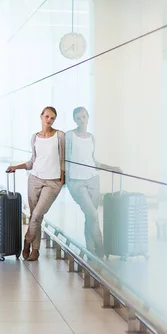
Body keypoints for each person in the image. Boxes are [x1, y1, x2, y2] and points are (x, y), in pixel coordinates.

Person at [6, 106, 65, 261]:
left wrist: (62, 178)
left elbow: (64, 159)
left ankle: (27, 242)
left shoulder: (60, 136)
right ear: (41, 116)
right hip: (35, 179)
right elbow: (33, 161)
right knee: (35, 216)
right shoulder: (35, 137)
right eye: (47, 116)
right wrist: (16, 167)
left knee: (37, 214)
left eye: (52, 118)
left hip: (53, 182)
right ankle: (35, 250)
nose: (49, 120)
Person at [66, 106, 120, 258]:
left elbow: (93, 161)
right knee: (94, 215)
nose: (82, 120)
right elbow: (64, 159)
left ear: (88, 117)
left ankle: (90, 250)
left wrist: (112, 167)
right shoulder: (69, 136)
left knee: (89, 216)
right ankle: (101, 248)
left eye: (84, 117)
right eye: (78, 118)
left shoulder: (92, 138)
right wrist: (66, 180)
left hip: (93, 180)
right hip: (77, 183)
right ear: (74, 120)